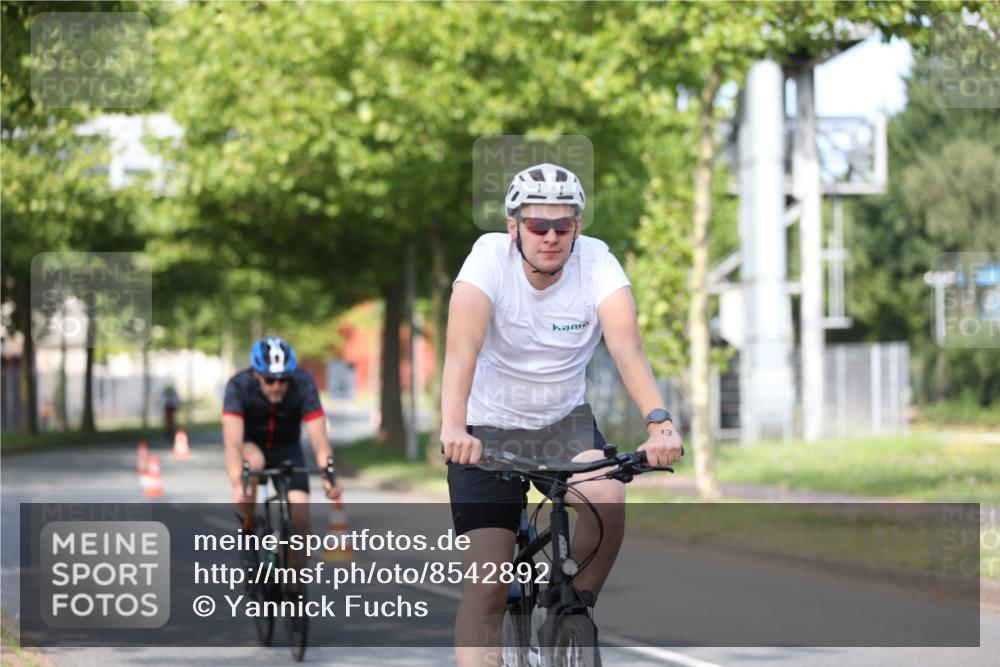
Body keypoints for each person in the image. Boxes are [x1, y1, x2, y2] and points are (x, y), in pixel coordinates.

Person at [440, 162, 684, 666]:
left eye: (563, 225)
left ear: (577, 226)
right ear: (514, 227)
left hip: (563, 421)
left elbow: (627, 347)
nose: (551, 236)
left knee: (607, 495)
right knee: (487, 590)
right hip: (485, 429)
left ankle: (574, 609)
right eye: (537, 225)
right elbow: (461, 347)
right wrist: (453, 427)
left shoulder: (596, 263)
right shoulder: (487, 259)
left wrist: (659, 424)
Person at [221, 336, 342, 547]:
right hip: (252, 444)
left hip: (287, 448)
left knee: (301, 519)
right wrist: (237, 481)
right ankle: (248, 525)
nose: (277, 386)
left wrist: (328, 474)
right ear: (257, 375)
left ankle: (295, 579)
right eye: (270, 380)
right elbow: (232, 443)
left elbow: (319, 438)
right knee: (253, 463)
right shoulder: (239, 386)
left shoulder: (303, 384)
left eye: (283, 379)